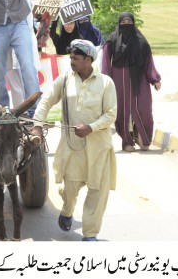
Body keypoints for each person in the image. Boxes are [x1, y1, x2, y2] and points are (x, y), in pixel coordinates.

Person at [32, 39, 117, 242]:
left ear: (88, 60)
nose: (71, 61)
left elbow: (111, 114)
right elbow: (46, 101)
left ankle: (90, 235)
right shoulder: (65, 80)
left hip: (99, 149)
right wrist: (37, 125)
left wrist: (91, 128)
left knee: (97, 192)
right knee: (70, 189)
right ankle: (67, 209)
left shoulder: (106, 82)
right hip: (73, 149)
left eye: (76, 58)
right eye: (70, 58)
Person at [102, 13, 161, 152]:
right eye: (124, 21)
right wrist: (105, 81)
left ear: (133, 23)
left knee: (144, 109)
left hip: (139, 80)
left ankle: (142, 138)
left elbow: (148, 62)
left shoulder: (141, 41)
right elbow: (105, 62)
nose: (126, 24)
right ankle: (126, 141)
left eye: (129, 21)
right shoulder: (112, 40)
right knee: (122, 111)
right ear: (119, 23)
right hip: (119, 82)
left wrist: (155, 78)